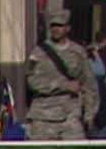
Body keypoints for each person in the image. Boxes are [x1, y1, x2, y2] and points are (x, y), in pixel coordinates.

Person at [25, 9, 99, 140]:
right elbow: (32, 82)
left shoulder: (78, 52)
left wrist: (89, 114)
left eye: (59, 25)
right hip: (43, 117)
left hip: (71, 116)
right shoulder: (38, 52)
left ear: (68, 28)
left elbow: (89, 84)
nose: (55, 29)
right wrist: (63, 85)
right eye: (53, 25)